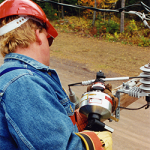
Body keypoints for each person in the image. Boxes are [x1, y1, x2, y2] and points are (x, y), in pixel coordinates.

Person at [0, 0, 113, 149]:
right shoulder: (24, 83)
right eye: (49, 40)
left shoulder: (15, 77)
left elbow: (49, 127)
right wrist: (97, 143)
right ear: (37, 35)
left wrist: (88, 111)